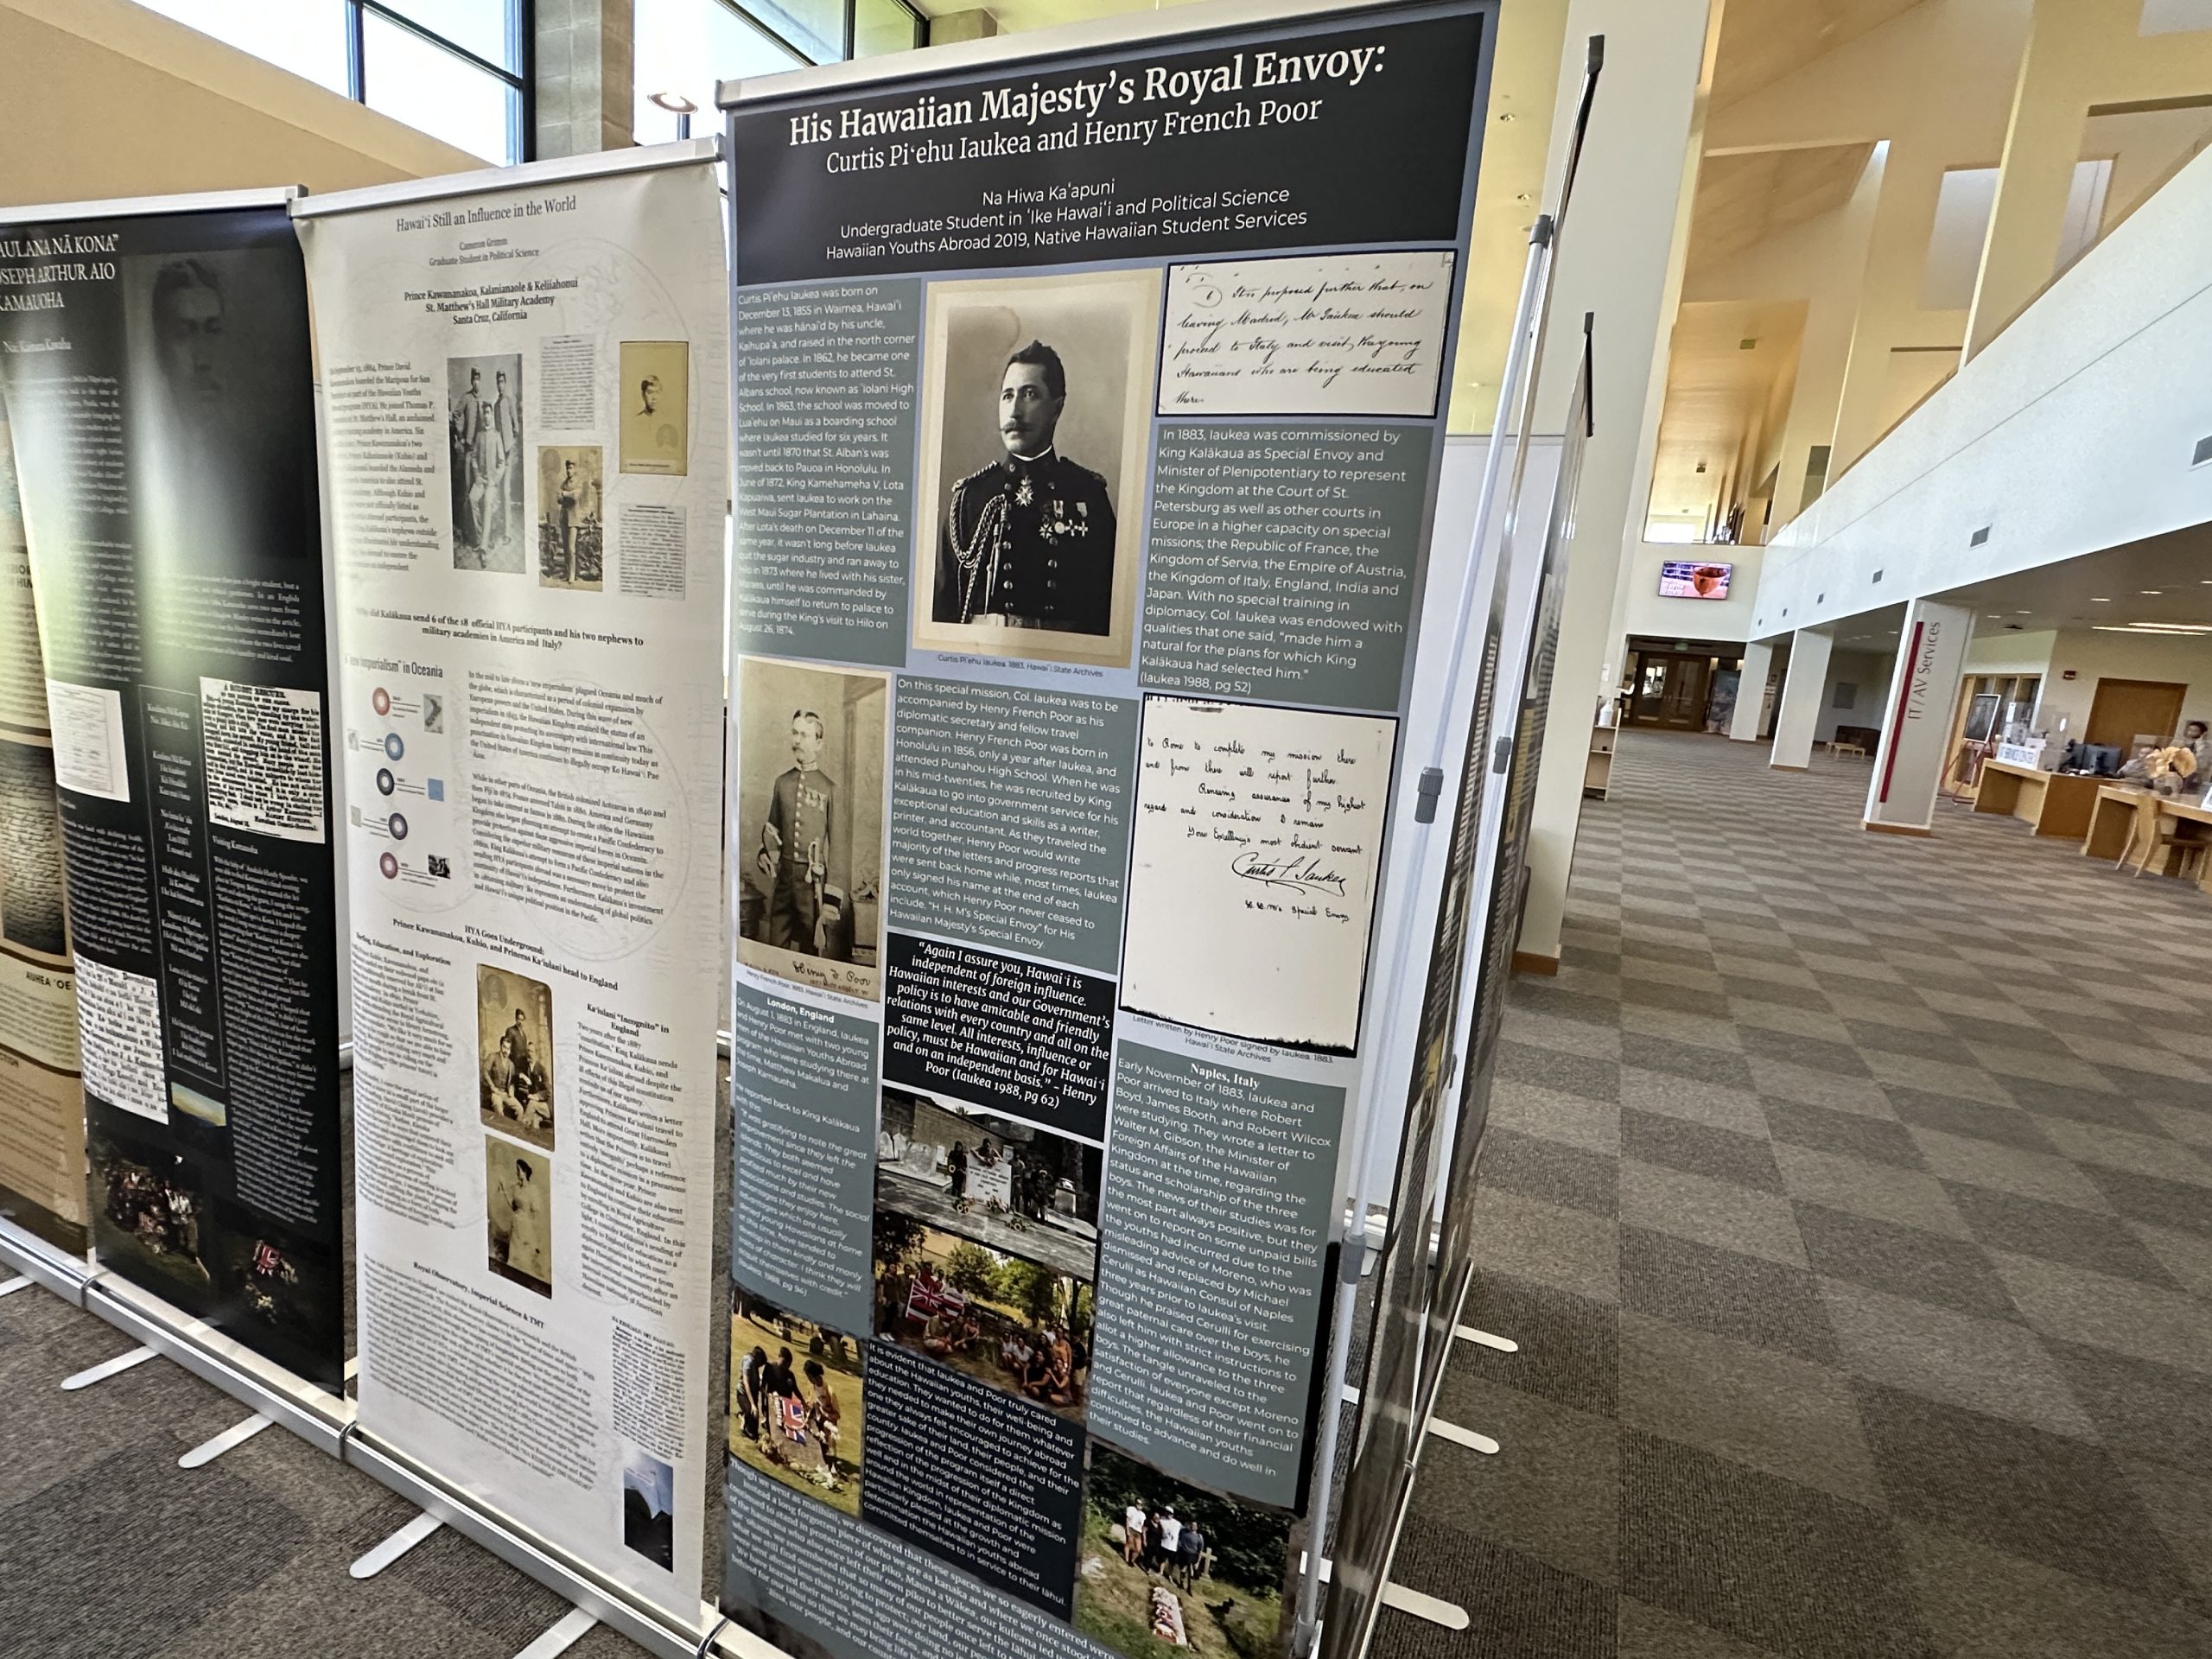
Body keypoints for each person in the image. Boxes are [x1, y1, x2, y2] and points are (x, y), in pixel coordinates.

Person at [934, 340, 1116, 636]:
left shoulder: (1087, 495)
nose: (1015, 411)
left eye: (1029, 394)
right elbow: (943, 613)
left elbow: (1107, 611)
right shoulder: (970, 498)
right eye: (1007, 396)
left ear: (1057, 408)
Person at [758, 710, 837, 957]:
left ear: (819, 743)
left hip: (811, 884)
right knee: (776, 947)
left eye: (804, 735)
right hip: (783, 882)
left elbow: (840, 849)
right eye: (795, 733)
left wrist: (831, 900)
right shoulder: (782, 783)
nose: (797, 741)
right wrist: (766, 854)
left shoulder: (829, 788)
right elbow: (772, 830)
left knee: (809, 954)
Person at [505, 1158, 549, 1286]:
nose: (517, 1173)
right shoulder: (516, 1189)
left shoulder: (532, 1190)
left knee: (525, 1257)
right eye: (516, 1170)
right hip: (515, 1225)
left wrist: (533, 1232)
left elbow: (536, 1211)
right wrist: (504, 1192)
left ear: (524, 1172)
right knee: (513, 1257)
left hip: (526, 1226)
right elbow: (513, 1208)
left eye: (518, 1170)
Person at [803, 1358, 843, 1477]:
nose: (808, 1379)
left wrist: (825, 1415)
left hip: (827, 1425)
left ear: (813, 1375)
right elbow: (809, 1402)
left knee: (829, 1445)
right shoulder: (811, 1387)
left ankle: (832, 1465)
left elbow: (837, 1415)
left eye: (808, 1376)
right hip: (815, 1421)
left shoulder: (830, 1392)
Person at [555, 458, 582, 582]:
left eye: (571, 468)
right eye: (567, 468)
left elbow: (575, 497)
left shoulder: (578, 482)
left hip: (574, 519)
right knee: (566, 548)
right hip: (564, 517)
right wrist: (564, 495)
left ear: (574, 469)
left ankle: (573, 574)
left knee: (572, 549)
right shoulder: (563, 483)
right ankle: (567, 573)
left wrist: (564, 494)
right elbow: (558, 500)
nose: (569, 470)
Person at [1176, 1518, 1205, 1590]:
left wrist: (1198, 1562)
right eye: (1192, 1525)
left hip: (1192, 1555)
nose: (1192, 1526)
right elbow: (1179, 1541)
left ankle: (1189, 1586)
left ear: (1197, 1527)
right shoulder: (1184, 1533)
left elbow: (1200, 1550)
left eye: (1194, 1525)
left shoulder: (1199, 1537)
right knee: (1183, 1569)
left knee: (1189, 1570)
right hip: (1184, 1553)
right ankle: (1182, 1583)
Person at [1153, 1506, 1181, 1573]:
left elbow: (1184, 1531)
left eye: (1170, 1514)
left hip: (1173, 1546)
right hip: (1164, 1543)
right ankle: (1161, 1571)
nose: (1169, 1515)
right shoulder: (1162, 1520)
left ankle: (1169, 1575)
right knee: (1162, 1559)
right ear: (1165, 1513)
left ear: (1173, 1515)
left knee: (1172, 1562)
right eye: (1168, 1513)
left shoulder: (1177, 1523)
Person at [1122, 1500, 1147, 1567]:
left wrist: (1143, 1535)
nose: (1139, 1505)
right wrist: (1127, 1530)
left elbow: (1142, 1526)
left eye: (1141, 1504)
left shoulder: (1143, 1515)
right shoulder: (1130, 1509)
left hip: (1138, 1532)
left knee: (1138, 1549)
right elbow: (1127, 1520)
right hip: (1131, 1528)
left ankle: (1132, 1560)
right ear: (1135, 1503)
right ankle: (1127, 1559)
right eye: (1138, 1503)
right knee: (1129, 1544)